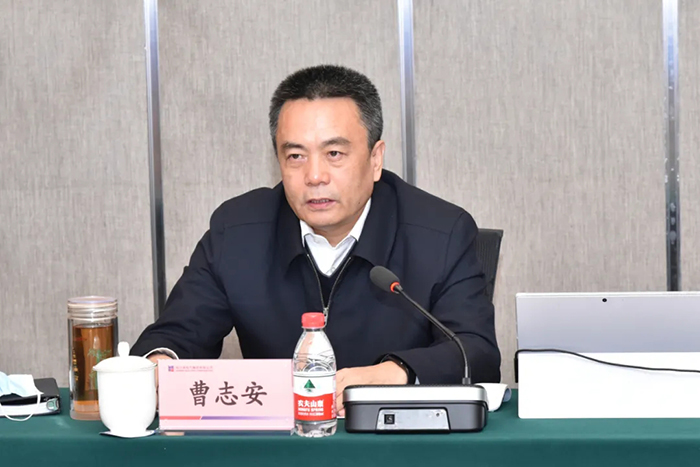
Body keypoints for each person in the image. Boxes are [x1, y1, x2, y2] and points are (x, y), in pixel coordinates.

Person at [131, 64, 500, 414]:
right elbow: (177, 333)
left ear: (375, 159)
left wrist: (395, 373)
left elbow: (476, 352)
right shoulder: (237, 233)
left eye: (334, 153)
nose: (315, 176)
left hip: (396, 443)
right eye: (295, 156)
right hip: (279, 445)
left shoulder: (441, 233)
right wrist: (158, 365)